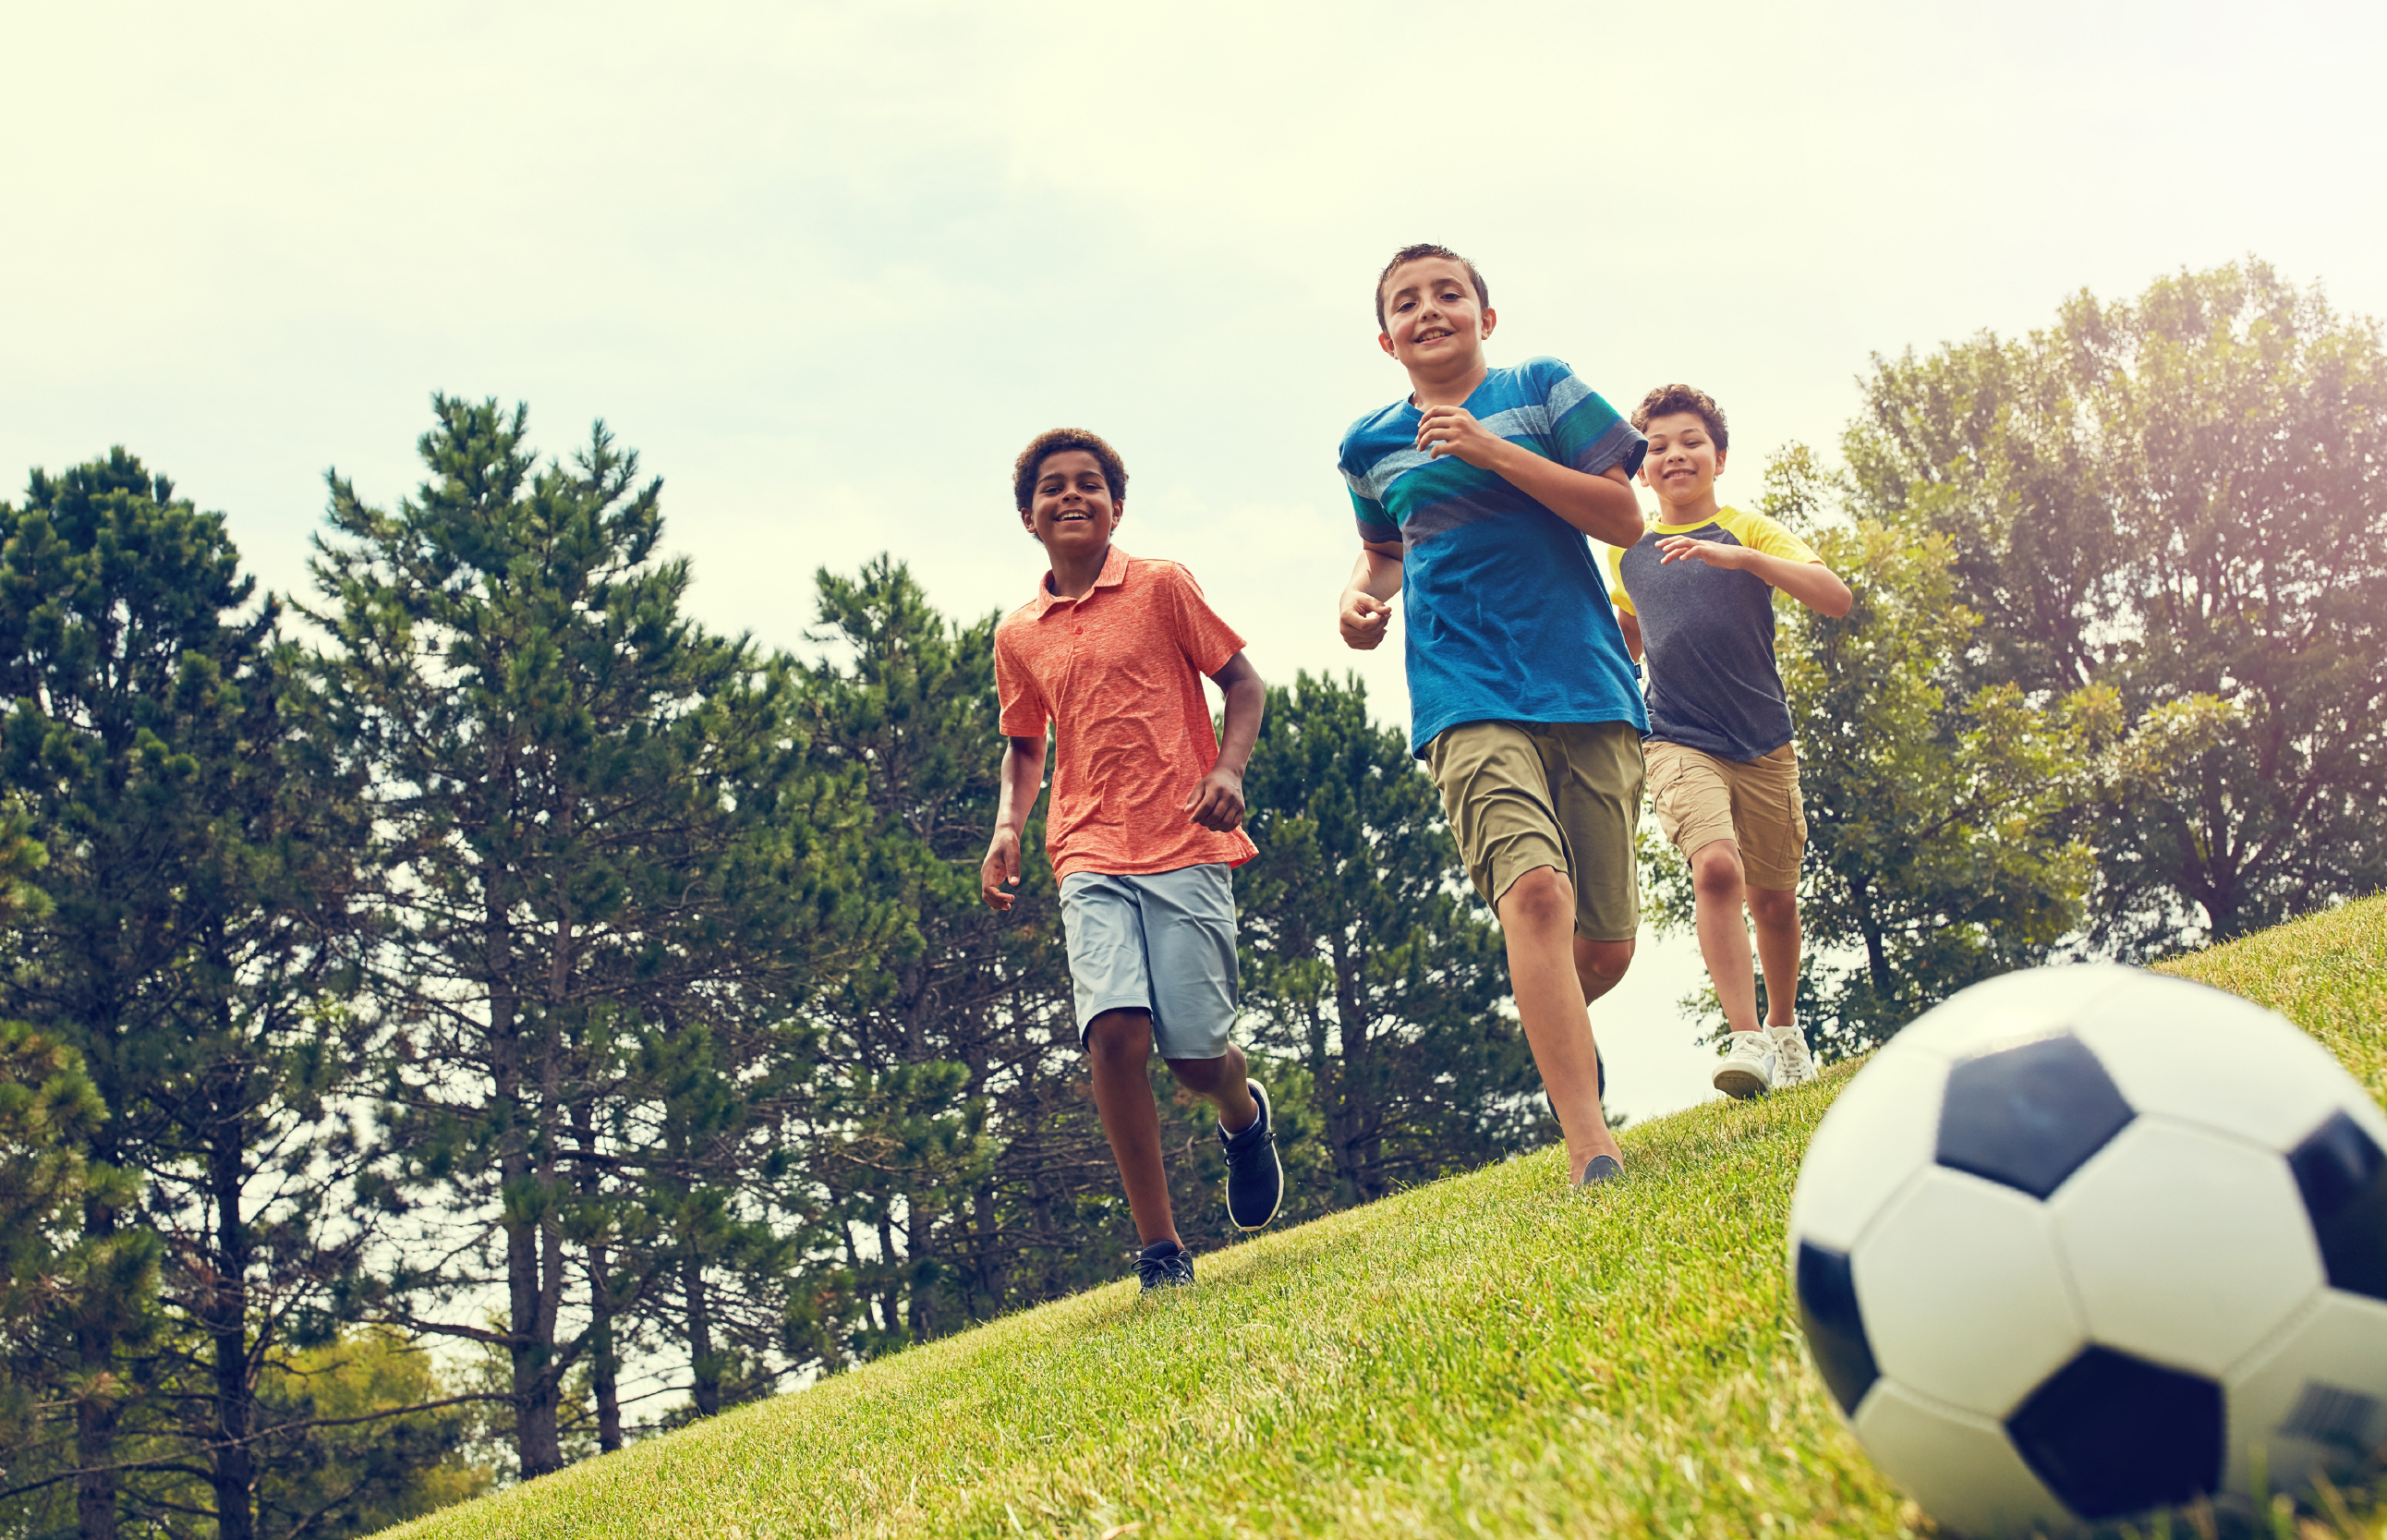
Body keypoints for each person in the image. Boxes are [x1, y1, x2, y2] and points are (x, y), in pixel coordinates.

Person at [1335, 243, 1648, 1186]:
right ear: (1385, 337)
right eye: (1406, 303)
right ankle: (1590, 1145)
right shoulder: (1368, 444)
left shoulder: (1541, 388)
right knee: (1535, 896)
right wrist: (1359, 596)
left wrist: (1489, 449)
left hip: (1585, 682)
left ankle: (1553, 1012)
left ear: (1485, 314)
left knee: (1604, 945)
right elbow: (1384, 550)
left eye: (1449, 294)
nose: (1429, 310)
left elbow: (1622, 518)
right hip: (1461, 688)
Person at [981, 427, 1283, 1291]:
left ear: (1116, 506)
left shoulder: (1161, 587)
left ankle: (1241, 1112)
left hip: (1184, 837)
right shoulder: (1019, 634)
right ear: (1028, 516)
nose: (1071, 496)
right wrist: (1010, 826)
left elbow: (1245, 684)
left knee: (1192, 1055)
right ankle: (1160, 1249)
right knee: (1113, 1031)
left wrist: (1227, 767)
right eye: (1052, 488)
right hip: (1085, 849)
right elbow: (1024, 745)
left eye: (1089, 485)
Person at [1607, 384, 1852, 1098]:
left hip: (1763, 740)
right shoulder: (1628, 553)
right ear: (1640, 470)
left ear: (1718, 457)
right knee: (1715, 867)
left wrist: (1739, 561)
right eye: (1656, 447)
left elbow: (1833, 596)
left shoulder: (1748, 529)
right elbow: (1628, 636)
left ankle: (1783, 1029)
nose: (1674, 454)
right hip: (1678, 736)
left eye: (1690, 441)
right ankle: (1744, 1035)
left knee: (1774, 899)